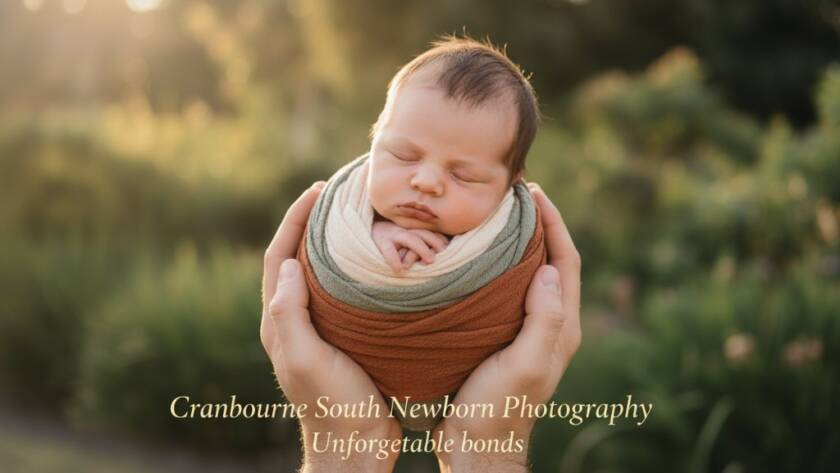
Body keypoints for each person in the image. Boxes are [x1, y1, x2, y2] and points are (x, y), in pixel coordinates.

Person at [260, 180, 581, 472]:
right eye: (402, 153)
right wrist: (488, 455)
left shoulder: (507, 235)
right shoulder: (348, 216)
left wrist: (344, 452)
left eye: (464, 175)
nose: (427, 179)